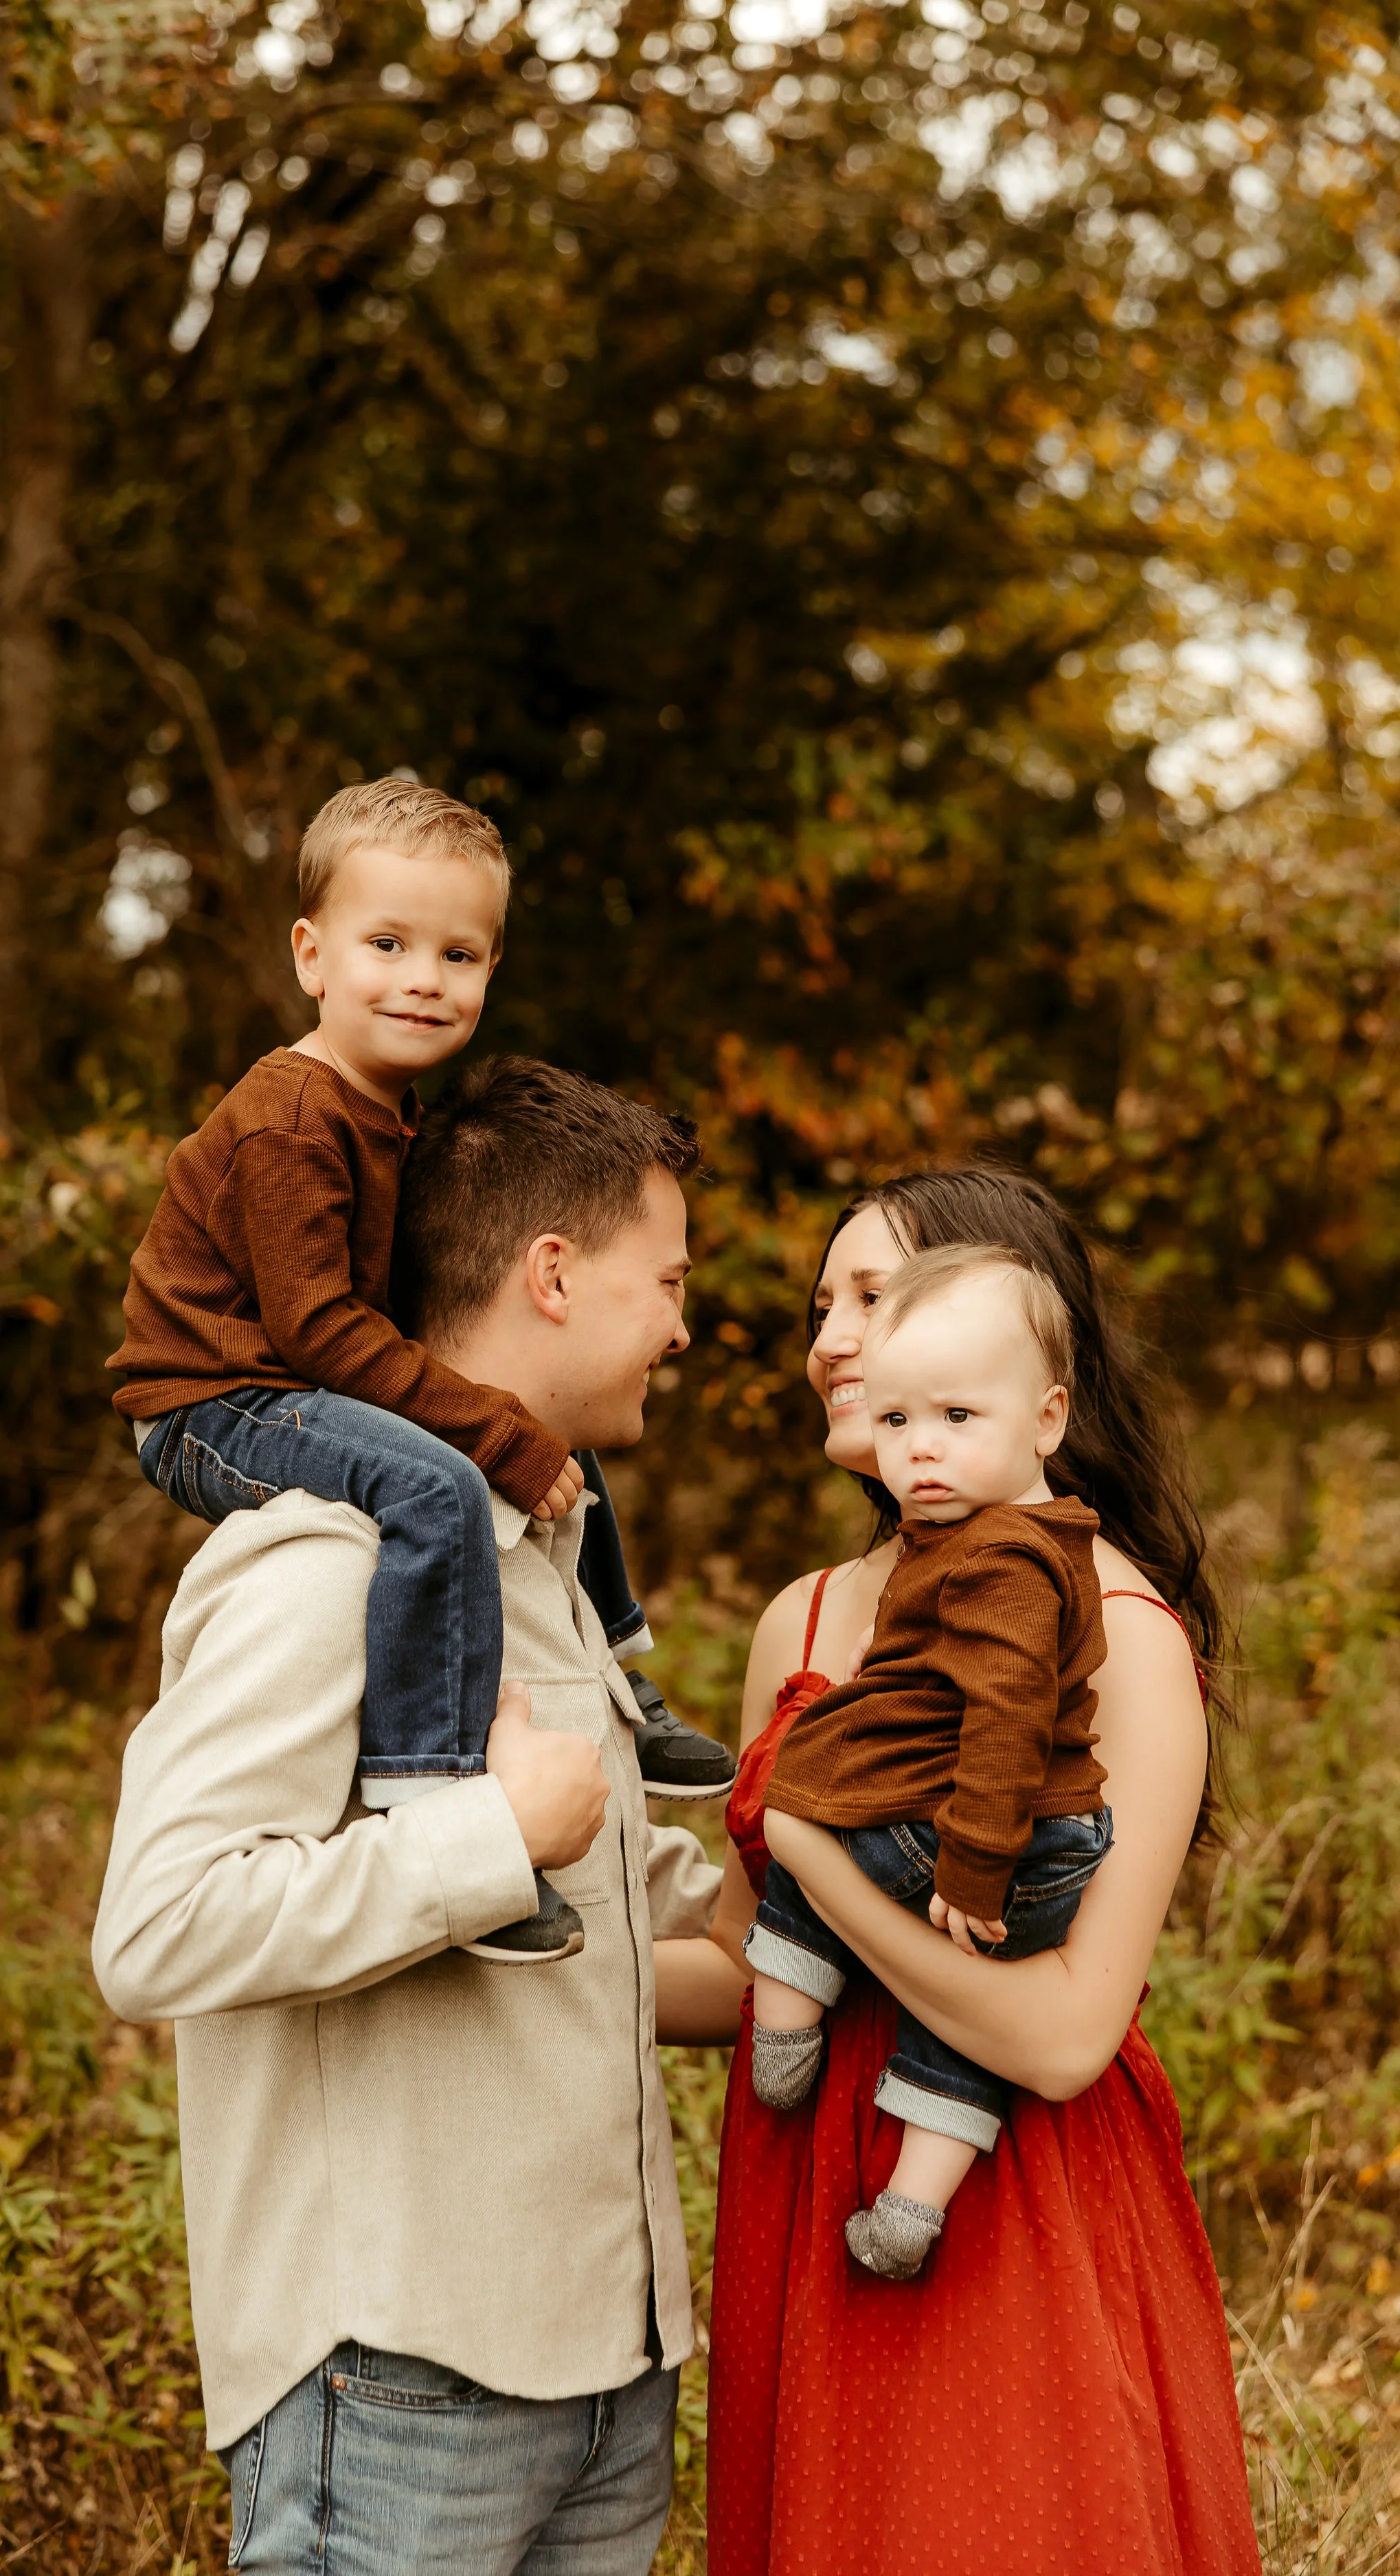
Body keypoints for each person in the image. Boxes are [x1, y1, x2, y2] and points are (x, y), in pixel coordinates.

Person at [93, 1055, 724, 2576]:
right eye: (670, 1280)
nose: (686, 1327)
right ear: (552, 1275)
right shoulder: (332, 1557)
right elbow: (155, 1931)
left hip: (605, 2374)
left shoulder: (536, 1558)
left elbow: (626, 1932)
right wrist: (491, 1842)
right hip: (398, 2386)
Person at [648, 1167, 1259, 2576]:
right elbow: (751, 1968)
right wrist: (496, 1947)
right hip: (807, 2208)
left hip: (1006, 2217)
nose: (830, 1341)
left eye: (874, 1297)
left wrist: (821, 1860)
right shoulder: (797, 1618)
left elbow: (1059, 2035)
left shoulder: (1116, 1629)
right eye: (822, 1305)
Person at [106, 778, 732, 1965]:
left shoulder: (390, 1111)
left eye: (459, 953)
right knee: (442, 1486)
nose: (423, 979)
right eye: (386, 944)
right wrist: (485, 1431)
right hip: (212, 1399)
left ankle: (631, 1687)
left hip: (286, 1380)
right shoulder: (295, 1115)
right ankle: (429, 1787)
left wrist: (508, 1422)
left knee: (555, 1435)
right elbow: (321, 1329)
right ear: (311, 954)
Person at [749, 1244, 1114, 2281]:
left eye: (958, 1418)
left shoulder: (1006, 1556)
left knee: (822, 1807)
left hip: (999, 1834)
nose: (923, 1450)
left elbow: (1005, 1712)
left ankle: (787, 2017)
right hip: (1042, 1839)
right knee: (956, 2041)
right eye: (900, 1421)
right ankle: (911, 2206)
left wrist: (973, 1858)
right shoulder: (997, 1535)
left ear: (1047, 1420)